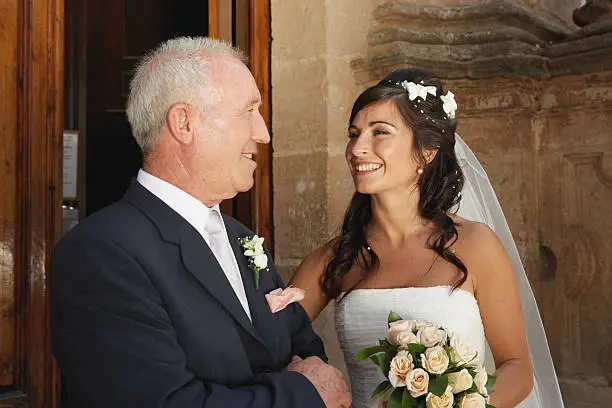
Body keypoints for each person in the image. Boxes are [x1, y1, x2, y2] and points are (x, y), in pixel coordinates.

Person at [49, 37, 351, 408]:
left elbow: (305, 352)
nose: (263, 133)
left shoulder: (244, 240)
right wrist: (302, 394)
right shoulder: (101, 255)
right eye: (249, 111)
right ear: (184, 123)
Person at [290, 68, 564, 408]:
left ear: (427, 150)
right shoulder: (336, 259)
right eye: (354, 133)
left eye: (380, 133)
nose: (358, 148)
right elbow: (268, 345)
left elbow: (518, 370)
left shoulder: (475, 245)